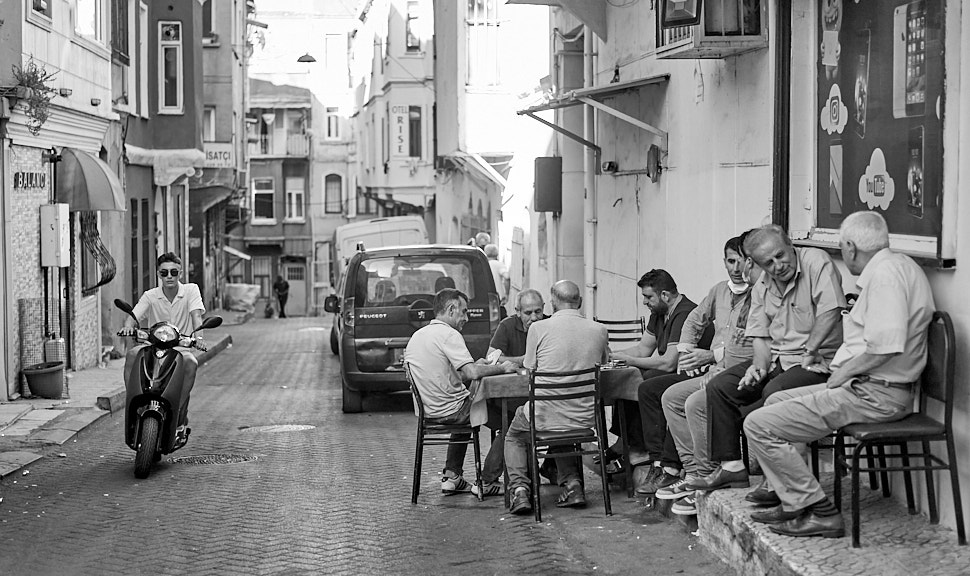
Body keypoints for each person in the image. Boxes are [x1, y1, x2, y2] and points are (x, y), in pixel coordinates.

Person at [744, 212, 934, 539]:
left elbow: (886, 346)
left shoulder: (887, 275)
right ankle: (795, 502)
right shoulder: (894, 267)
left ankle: (819, 511)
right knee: (774, 400)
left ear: (849, 247)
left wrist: (842, 373)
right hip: (870, 388)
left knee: (757, 424)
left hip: (874, 395)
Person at [690, 225, 845, 492]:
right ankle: (732, 468)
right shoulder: (762, 284)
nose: (777, 266)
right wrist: (758, 366)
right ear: (757, 264)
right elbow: (760, 334)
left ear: (790, 244)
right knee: (721, 387)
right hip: (778, 362)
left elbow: (831, 310)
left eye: (780, 256)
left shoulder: (816, 262)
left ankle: (779, 479)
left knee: (773, 393)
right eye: (768, 263)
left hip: (818, 362)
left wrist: (810, 349)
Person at [656, 233, 758, 515]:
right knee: (670, 397)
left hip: (739, 373)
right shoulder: (719, 291)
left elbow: (755, 349)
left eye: (740, 262)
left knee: (694, 402)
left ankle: (708, 472)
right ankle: (691, 472)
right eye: (730, 261)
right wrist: (686, 352)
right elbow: (695, 319)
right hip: (715, 371)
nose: (736, 269)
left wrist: (712, 356)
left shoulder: (759, 295)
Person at [504, 280, 609, 515]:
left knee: (514, 436)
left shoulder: (538, 329)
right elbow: (603, 364)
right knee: (561, 419)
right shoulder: (599, 330)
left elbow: (530, 367)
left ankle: (520, 490)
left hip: (545, 416)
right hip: (583, 420)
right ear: (580, 302)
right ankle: (573, 485)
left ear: (551, 303)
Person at [404, 288, 517, 495]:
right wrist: (502, 367)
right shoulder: (449, 335)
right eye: (464, 312)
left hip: (428, 410)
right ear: (451, 309)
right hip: (452, 411)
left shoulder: (418, 336)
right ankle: (487, 480)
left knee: (464, 397)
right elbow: (472, 373)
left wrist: (478, 365)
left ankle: (452, 475)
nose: (466, 318)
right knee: (511, 422)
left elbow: (457, 375)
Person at [610, 269, 711, 494]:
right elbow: (643, 349)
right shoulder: (659, 312)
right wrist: (613, 356)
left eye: (648, 297)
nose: (645, 302)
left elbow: (668, 363)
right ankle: (628, 443)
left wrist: (630, 360)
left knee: (647, 384)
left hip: (694, 372)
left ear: (665, 295)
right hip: (673, 371)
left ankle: (655, 460)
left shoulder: (684, 313)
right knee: (627, 377)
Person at [471, 289, 548, 497]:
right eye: (528, 313)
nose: (534, 318)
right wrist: (525, 358)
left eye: (538, 312)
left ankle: (551, 469)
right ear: (517, 312)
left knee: (548, 416)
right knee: (513, 421)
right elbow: (493, 357)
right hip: (507, 400)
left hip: (544, 399)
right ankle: (488, 479)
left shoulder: (549, 325)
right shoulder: (507, 326)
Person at [119, 252, 205, 436]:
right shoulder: (150, 295)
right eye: (164, 273)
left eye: (174, 272)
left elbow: (196, 316)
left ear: (180, 273)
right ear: (158, 274)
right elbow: (133, 317)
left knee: (192, 363)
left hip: (180, 347)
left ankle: (178, 409)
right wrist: (127, 327)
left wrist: (198, 338)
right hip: (154, 346)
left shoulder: (191, 290)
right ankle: (133, 400)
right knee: (133, 355)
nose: (169, 277)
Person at [484, 244, 510, 308]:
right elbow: (507, 277)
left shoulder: (482, 264)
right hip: (497, 298)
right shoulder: (498, 265)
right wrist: (507, 293)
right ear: (497, 254)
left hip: (484, 297)